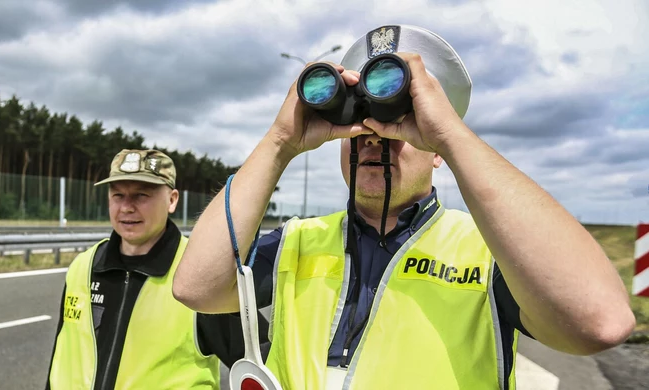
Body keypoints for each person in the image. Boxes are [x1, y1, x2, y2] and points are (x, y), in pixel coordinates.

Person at [172, 25, 636, 390]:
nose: (376, 137)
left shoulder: (486, 253)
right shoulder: (297, 241)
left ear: (435, 146)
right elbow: (197, 286)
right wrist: (278, 142)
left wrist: (453, 137)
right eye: (363, 126)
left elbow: (598, 322)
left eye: (399, 122)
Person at [45, 148, 270, 389]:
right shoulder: (84, 265)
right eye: (118, 195)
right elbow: (63, 356)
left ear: (172, 200)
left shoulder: (199, 273)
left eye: (141, 195)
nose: (127, 207)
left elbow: (266, 367)